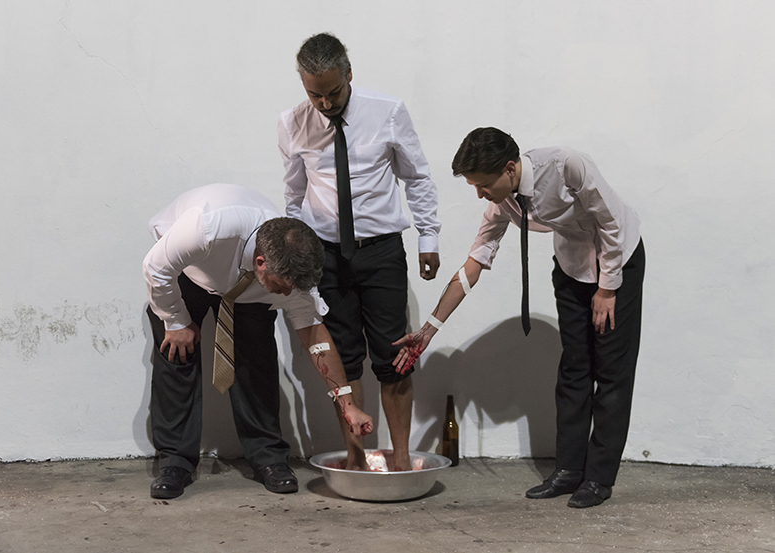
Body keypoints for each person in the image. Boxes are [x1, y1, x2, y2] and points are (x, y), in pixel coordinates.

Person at [394, 128, 645, 508]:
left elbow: (611, 222)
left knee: (611, 371)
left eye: (483, 185)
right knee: (574, 369)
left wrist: (607, 289)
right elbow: (474, 264)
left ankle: (598, 478)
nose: (480, 194)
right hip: (572, 265)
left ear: (509, 168)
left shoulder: (566, 165)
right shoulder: (503, 202)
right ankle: (569, 470)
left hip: (617, 262)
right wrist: (429, 329)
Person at [143, 183, 373, 499]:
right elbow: (156, 267)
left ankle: (268, 458)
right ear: (261, 263)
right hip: (191, 272)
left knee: (257, 364)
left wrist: (348, 404)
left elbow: (316, 338)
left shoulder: (293, 280)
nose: (286, 295)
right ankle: (174, 462)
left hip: (247, 291)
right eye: (282, 287)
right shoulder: (207, 227)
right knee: (177, 356)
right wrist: (175, 321)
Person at [278, 32, 442, 472]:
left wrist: (428, 237)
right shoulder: (292, 123)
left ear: (349, 73)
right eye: (315, 95)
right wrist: (297, 255)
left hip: (381, 251)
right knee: (343, 357)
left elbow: (417, 177)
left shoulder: (388, 111)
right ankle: (354, 457)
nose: (325, 103)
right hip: (324, 255)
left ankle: (402, 458)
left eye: (333, 92)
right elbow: (294, 196)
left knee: (394, 358)